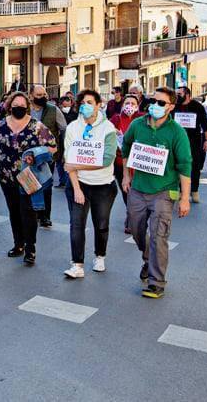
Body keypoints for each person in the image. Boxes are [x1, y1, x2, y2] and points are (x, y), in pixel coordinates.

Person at [121, 87, 192, 299]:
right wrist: (126, 175)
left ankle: (156, 282)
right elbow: (126, 149)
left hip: (164, 191)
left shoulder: (176, 132)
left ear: (170, 107)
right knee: (136, 229)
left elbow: (185, 166)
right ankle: (148, 259)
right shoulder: (137, 125)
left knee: (159, 236)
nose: (155, 105)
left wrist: (185, 198)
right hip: (138, 189)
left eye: (161, 103)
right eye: (153, 101)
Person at [0, 91, 56, 266]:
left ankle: (30, 248)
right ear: (9, 107)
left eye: (22, 106)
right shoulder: (1, 125)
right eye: (15, 106)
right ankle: (18, 243)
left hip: (29, 176)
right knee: (14, 211)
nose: (18, 108)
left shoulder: (36, 126)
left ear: (27, 107)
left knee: (28, 212)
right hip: (6, 176)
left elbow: (52, 147)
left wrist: (35, 154)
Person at [63, 90, 118, 279]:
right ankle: (77, 264)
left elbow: (107, 158)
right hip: (78, 183)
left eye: (89, 102)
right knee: (77, 224)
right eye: (82, 102)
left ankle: (100, 255)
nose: (85, 105)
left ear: (98, 105)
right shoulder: (72, 128)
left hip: (103, 185)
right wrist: (77, 188)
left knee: (101, 223)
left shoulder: (108, 128)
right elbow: (67, 160)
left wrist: (77, 165)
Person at [29, 85, 66, 227]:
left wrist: (62, 152)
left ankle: (45, 216)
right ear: (31, 96)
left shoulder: (53, 110)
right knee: (30, 184)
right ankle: (33, 213)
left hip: (47, 154)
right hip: (28, 154)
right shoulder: (25, 109)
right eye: (39, 94)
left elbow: (64, 129)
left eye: (44, 94)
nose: (43, 97)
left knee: (45, 185)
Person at [173, 87, 207, 203]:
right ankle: (180, 191)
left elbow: (205, 124)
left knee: (194, 167)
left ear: (187, 94)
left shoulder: (197, 106)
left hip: (193, 142)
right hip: (176, 141)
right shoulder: (174, 106)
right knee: (176, 166)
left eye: (179, 94)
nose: (177, 96)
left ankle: (194, 191)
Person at [109, 94, 144, 212]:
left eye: (133, 104)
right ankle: (130, 215)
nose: (130, 106)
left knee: (138, 192)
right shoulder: (116, 119)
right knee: (126, 190)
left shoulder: (143, 119)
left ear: (137, 106)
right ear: (122, 105)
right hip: (120, 162)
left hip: (138, 163)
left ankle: (136, 215)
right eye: (127, 103)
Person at [56, 95, 79, 188]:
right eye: (64, 106)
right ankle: (62, 181)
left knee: (69, 160)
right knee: (59, 161)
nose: (66, 108)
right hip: (59, 140)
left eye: (67, 105)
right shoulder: (58, 113)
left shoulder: (75, 114)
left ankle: (68, 181)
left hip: (71, 140)